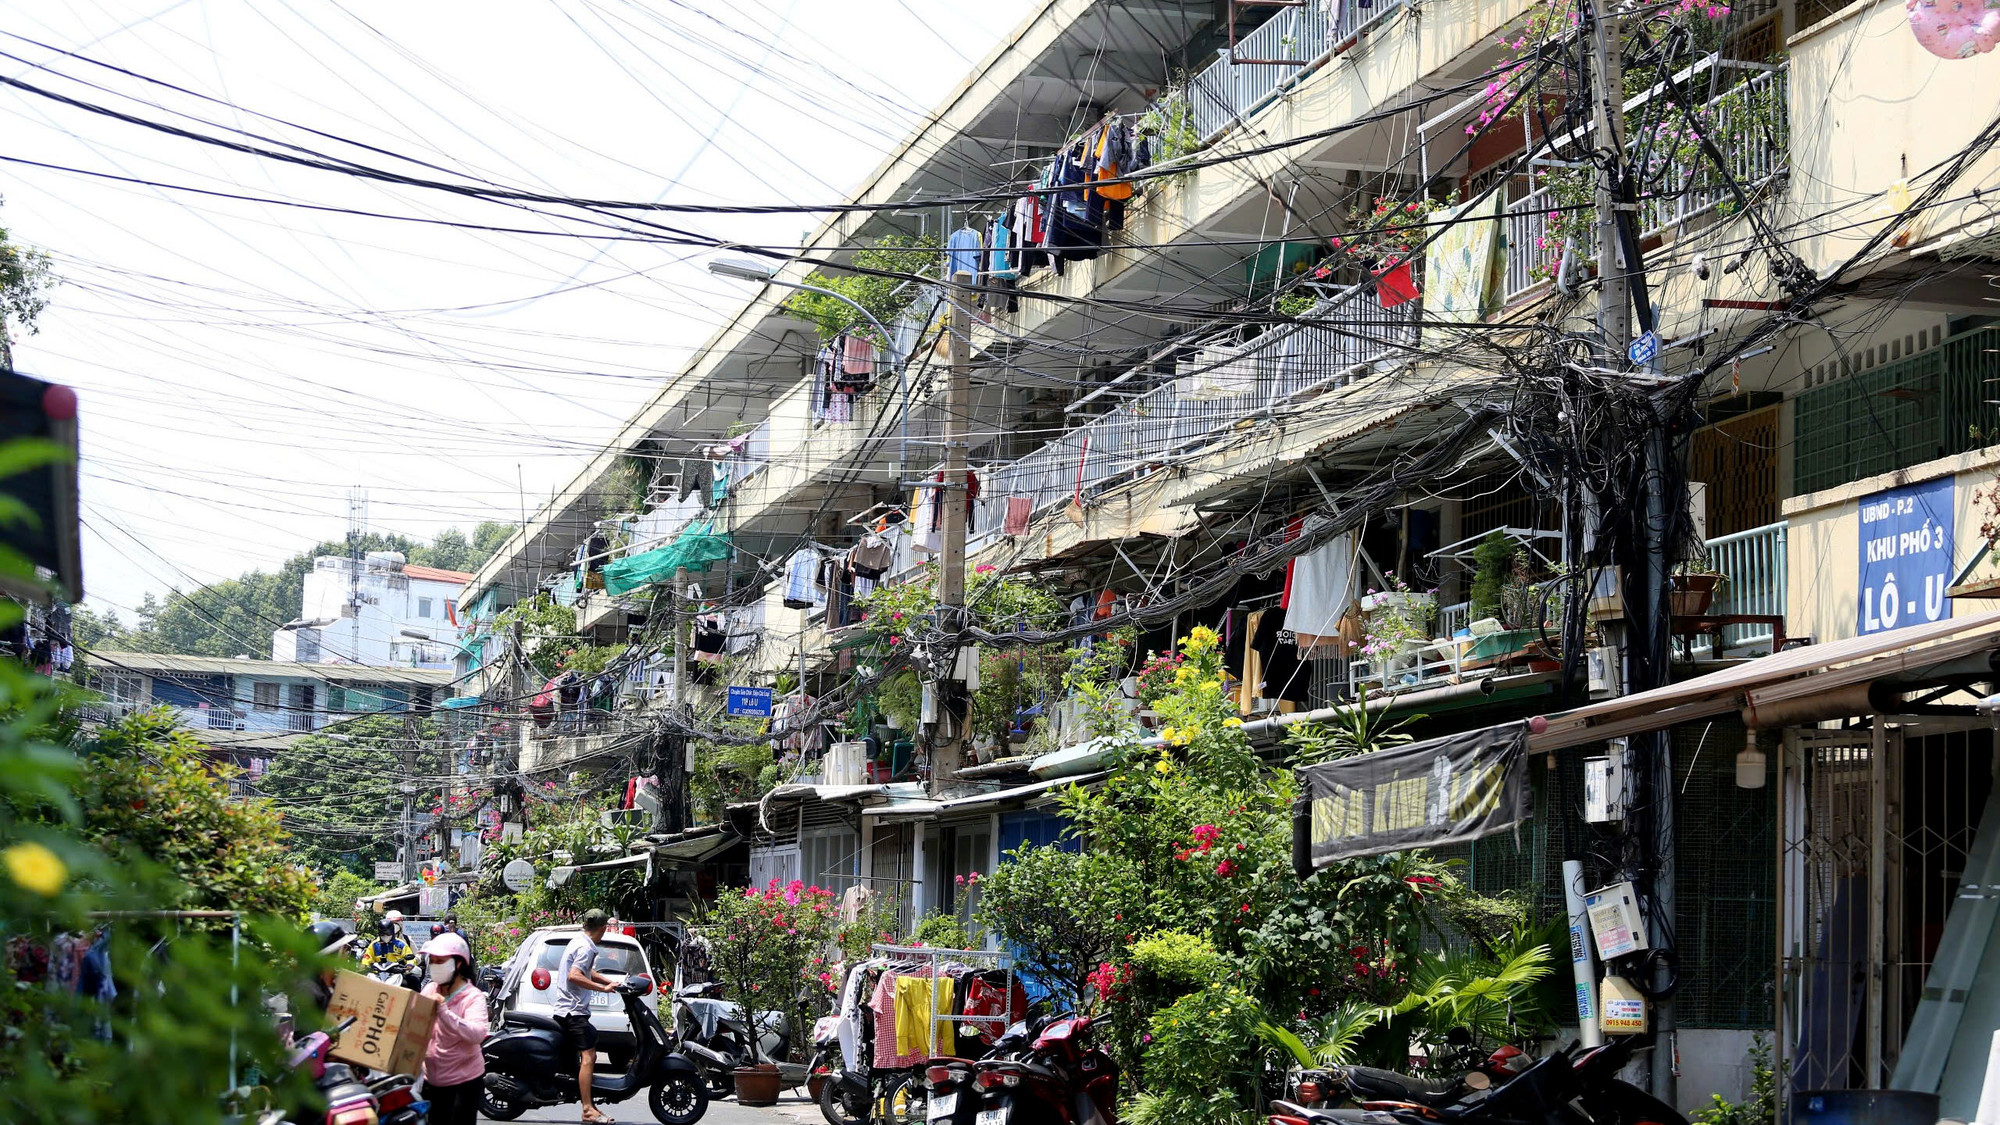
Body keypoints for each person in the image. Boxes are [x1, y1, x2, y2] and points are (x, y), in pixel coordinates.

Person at [554, 909, 621, 1124]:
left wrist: (607, 981)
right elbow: (574, 976)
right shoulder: (585, 947)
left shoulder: (578, 941)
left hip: (568, 1009)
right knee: (589, 1056)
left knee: (585, 1053)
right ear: (602, 929)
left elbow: (585, 972)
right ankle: (586, 1109)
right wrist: (603, 990)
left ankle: (590, 1104)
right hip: (573, 1011)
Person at [417, 932, 489, 1125]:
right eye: (432, 961)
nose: (434, 966)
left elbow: (477, 1033)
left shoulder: (473, 997)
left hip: (463, 1082)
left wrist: (444, 1011)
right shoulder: (430, 989)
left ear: (458, 964)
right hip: (431, 1079)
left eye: (440, 961)